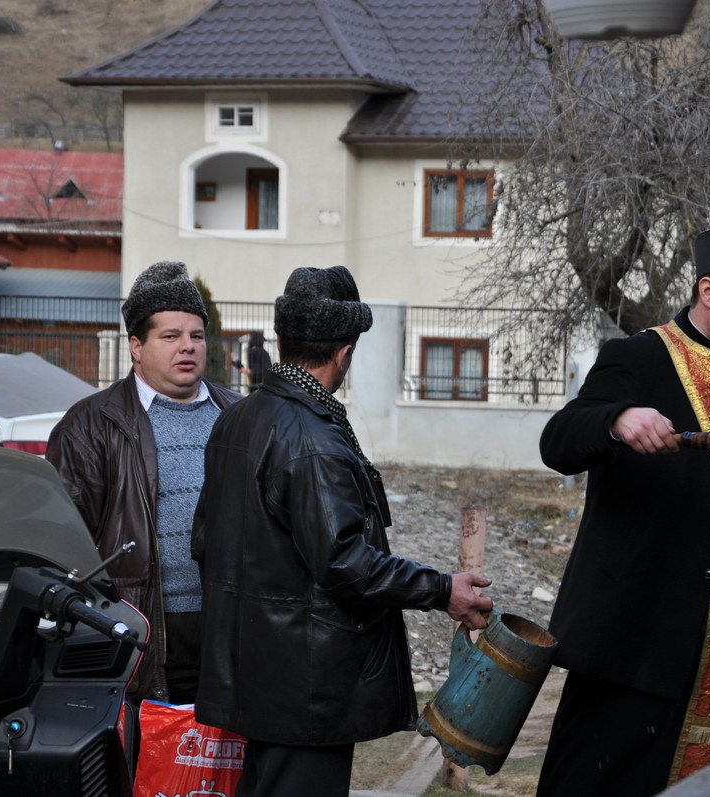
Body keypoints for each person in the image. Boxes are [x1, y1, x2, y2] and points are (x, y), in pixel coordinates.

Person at [191, 265, 493, 797]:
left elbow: (204, 542)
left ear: (282, 343)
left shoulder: (235, 420)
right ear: (344, 354)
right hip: (305, 686)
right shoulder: (313, 439)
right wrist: (442, 589)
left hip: (255, 673)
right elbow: (345, 562)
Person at [535, 227, 710, 796]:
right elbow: (558, 441)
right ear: (708, 290)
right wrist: (615, 419)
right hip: (643, 643)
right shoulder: (637, 356)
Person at [46, 261, 242, 706]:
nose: (187, 346)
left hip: (230, 628)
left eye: (196, 336)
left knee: (222, 749)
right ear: (136, 346)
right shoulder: (90, 425)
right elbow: (62, 543)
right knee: (146, 747)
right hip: (138, 629)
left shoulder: (240, 416)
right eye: (170, 336)